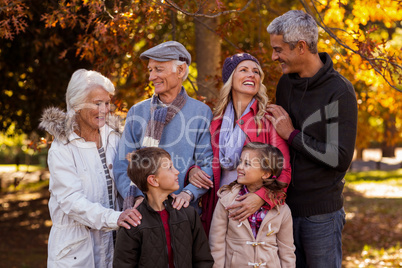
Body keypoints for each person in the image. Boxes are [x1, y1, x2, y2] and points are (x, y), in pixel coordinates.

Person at [266, 10, 358, 268]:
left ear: (301, 47)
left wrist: (291, 134)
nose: (274, 57)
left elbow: (338, 158)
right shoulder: (285, 85)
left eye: (278, 49)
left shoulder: (339, 91)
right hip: (282, 209)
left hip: (321, 215)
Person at [39, 69, 142, 268]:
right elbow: (72, 202)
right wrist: (115, 217)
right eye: (97, 103)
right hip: (75, 252)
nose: (105, 109)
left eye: (107, 102)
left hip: (115, 244)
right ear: (77, 105)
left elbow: (128, 177)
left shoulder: (115, 138)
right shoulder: (62, 148)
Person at [189, 52, 291, 234]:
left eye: (256, 72)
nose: (252, 75)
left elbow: (284, 170)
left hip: (254, 213)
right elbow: (204, 161)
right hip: (219, 207)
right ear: (230, 79)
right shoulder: (216, 121)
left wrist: (261, 198)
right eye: (243, 70)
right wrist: (193, 170)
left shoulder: (268, 119)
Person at [114, 41, 214, 211]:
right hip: (143, 214)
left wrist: (188, 193)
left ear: (180, 70)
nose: (152, 77)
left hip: (184, 213)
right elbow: (122, 164)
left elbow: (208, 162)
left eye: (159, 69)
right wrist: (137, 197)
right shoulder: (137, 112)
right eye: (150, 70)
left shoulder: (201, 112)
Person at [113, 147, 214, 268]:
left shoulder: (189, 214)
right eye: (170, 168)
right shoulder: (132, 223)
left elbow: (203, 260)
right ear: (153, 180)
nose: (177, 172)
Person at [209, 142, 295, 267]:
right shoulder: (226, 201)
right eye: (241, 162)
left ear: (265, 174)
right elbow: (216, 245)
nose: (239, 167)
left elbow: (287, 252)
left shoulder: (281, 209)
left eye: (247, 164)